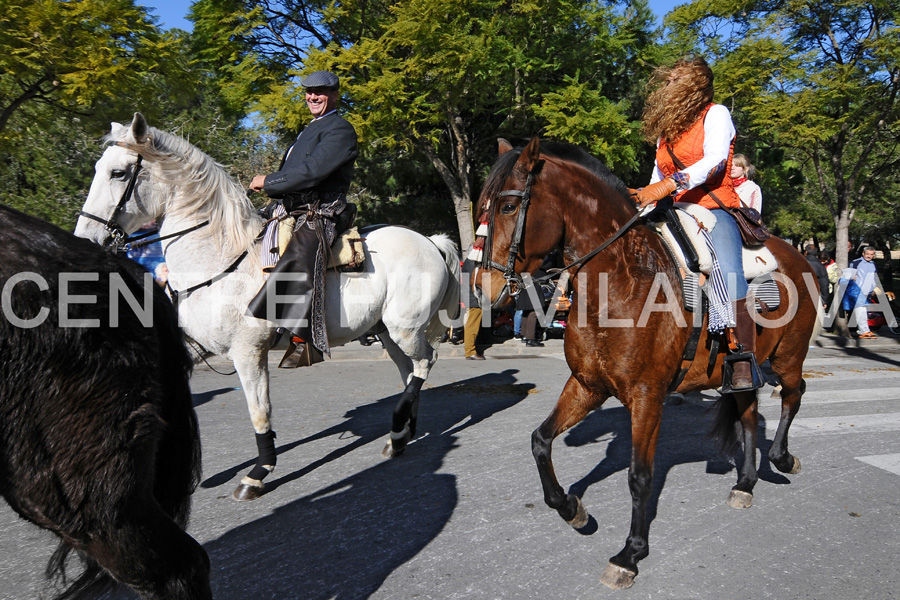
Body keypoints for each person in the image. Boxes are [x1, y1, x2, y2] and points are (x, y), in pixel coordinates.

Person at [633, 56, 759, 391]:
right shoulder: (667, 130)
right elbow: (656, 176)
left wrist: (672, 184)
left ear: (695, 83)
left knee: (729, 271)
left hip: (713, 206)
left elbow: (716, 161)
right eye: (668, 80)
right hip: (673, 209)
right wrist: (642, 204)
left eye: (675, 80)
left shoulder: (715, 113)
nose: (667, 86)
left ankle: (741, 358)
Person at [246, 71, 359, 367]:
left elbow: (312, 172)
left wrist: (269, 180)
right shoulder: (307, 130)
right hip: (290, 208)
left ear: (335, 94)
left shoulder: (341, 130)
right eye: (309, 92)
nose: (312, 97)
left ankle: (303, 338)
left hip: (320, 211)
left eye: (320, 92)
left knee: (301, 252)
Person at [848, 247, 879, 339]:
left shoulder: (873, 264)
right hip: (858, 291)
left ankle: (864, 330)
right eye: (867, 254)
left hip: (868, 291)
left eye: (871, 254)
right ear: (863, 253)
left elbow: (874, 277)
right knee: (860, 310)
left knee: (863, 311)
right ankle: (863, 331)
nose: (869, 256)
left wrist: (874, 289)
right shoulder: (856, 262)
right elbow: (850, 275)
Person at [461, 257, 485, 359]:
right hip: (474, 298)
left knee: (470, 325)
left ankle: (470, 350)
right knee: (472, 326)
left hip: (469, 297)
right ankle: (470, 352)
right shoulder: (473, 265)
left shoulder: (467, 262)